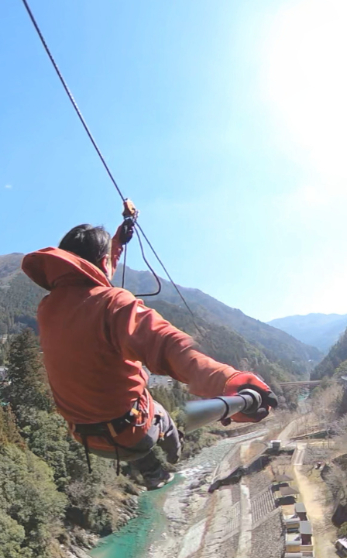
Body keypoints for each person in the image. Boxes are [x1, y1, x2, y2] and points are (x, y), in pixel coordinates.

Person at [20, 204, 276, 489]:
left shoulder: (48, 308)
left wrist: (118, 241)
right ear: (103, 263)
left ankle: (152, 471)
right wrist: (226, 380)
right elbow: (169, 346)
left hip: (84, 435)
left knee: (129, 422)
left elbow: (89, 277)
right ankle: (174, 455)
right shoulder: (114, 303)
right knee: (159, 413)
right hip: (131, 430)